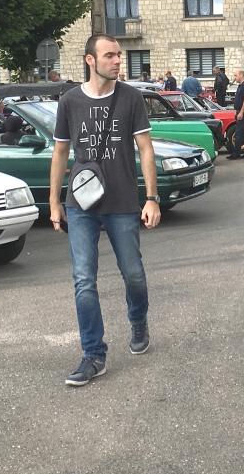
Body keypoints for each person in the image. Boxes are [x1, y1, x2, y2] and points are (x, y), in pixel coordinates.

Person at [48, 34, 160, 388]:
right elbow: (60, 153)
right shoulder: (70, 101)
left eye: (118, 55)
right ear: (90, 60)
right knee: (84, 280)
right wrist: (54, 201)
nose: (117, 61)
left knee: (134, 275)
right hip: (81, 203)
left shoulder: (131, 98)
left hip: (122, 201)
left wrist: (152, 198)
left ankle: (138, 320)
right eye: (109, 55)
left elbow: (145, 149)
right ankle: (93, 355)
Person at [227, 69, 244, 160]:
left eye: (236, 75)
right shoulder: (241, 86)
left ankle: (236, 153)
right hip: (240, 111)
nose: (235, 78)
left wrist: (241, 112)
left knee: (239, 133)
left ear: (241, 75)